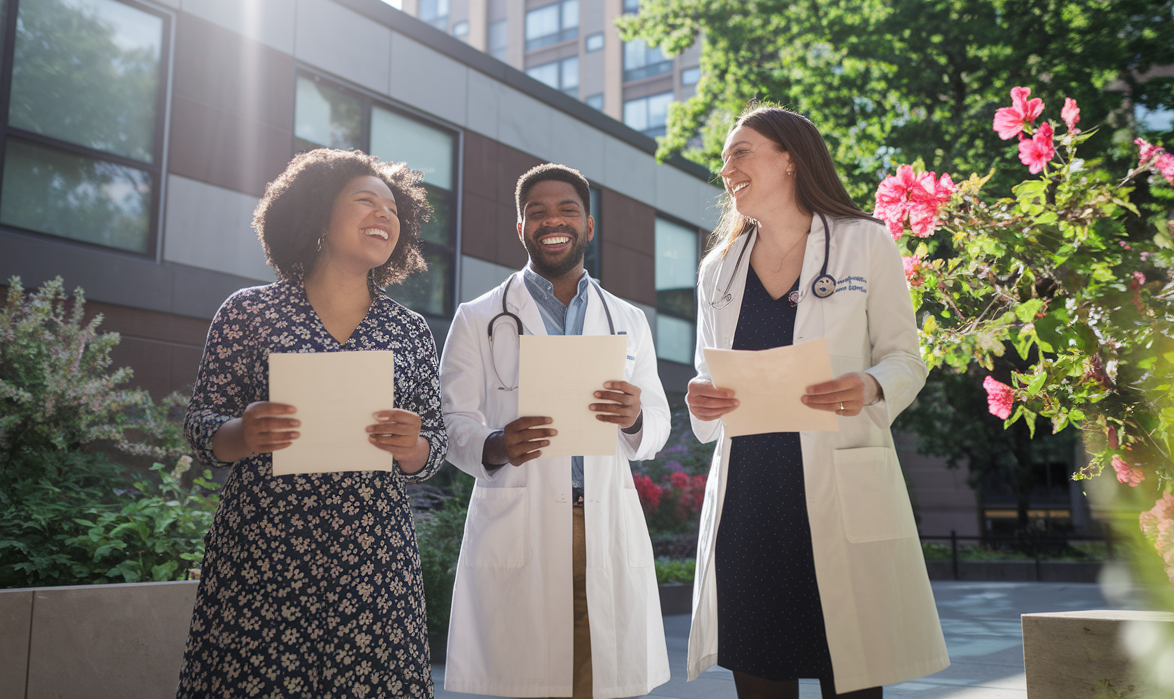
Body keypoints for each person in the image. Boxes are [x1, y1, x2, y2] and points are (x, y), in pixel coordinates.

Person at [683, 106, 949, 698]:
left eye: (741, 152)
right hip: (749, 497)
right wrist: (701, 399)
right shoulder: (717, 270)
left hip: (837, 487)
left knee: (850, 672)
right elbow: (709, 372)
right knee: (759, 677)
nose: (726, 168)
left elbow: (906, 357)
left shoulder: (865, 243)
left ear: (790, 159)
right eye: (727, 157)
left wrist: (872, 385)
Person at [176, 148, 449, 699]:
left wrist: (412, 447)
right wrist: (242, 433)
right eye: (365, 201)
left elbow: (435, 445)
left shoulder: (410, 329)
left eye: (394, 209)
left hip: (374, 558)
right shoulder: (248, 312)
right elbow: (201, 426)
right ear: (318, 214)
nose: (384, 215)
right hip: (263, 553)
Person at [439, 164, 671, 699]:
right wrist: (495, 444)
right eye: (536, 212)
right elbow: (452, 422)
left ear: (589, 225)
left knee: (596, 678)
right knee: (529, 680)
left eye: (567, 209)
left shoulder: (628, 319)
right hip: (521, 513)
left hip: (604, 517)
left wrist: (634, 417)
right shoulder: (478, 317)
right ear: (520, 229)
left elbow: (657, 425)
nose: (552, 221)